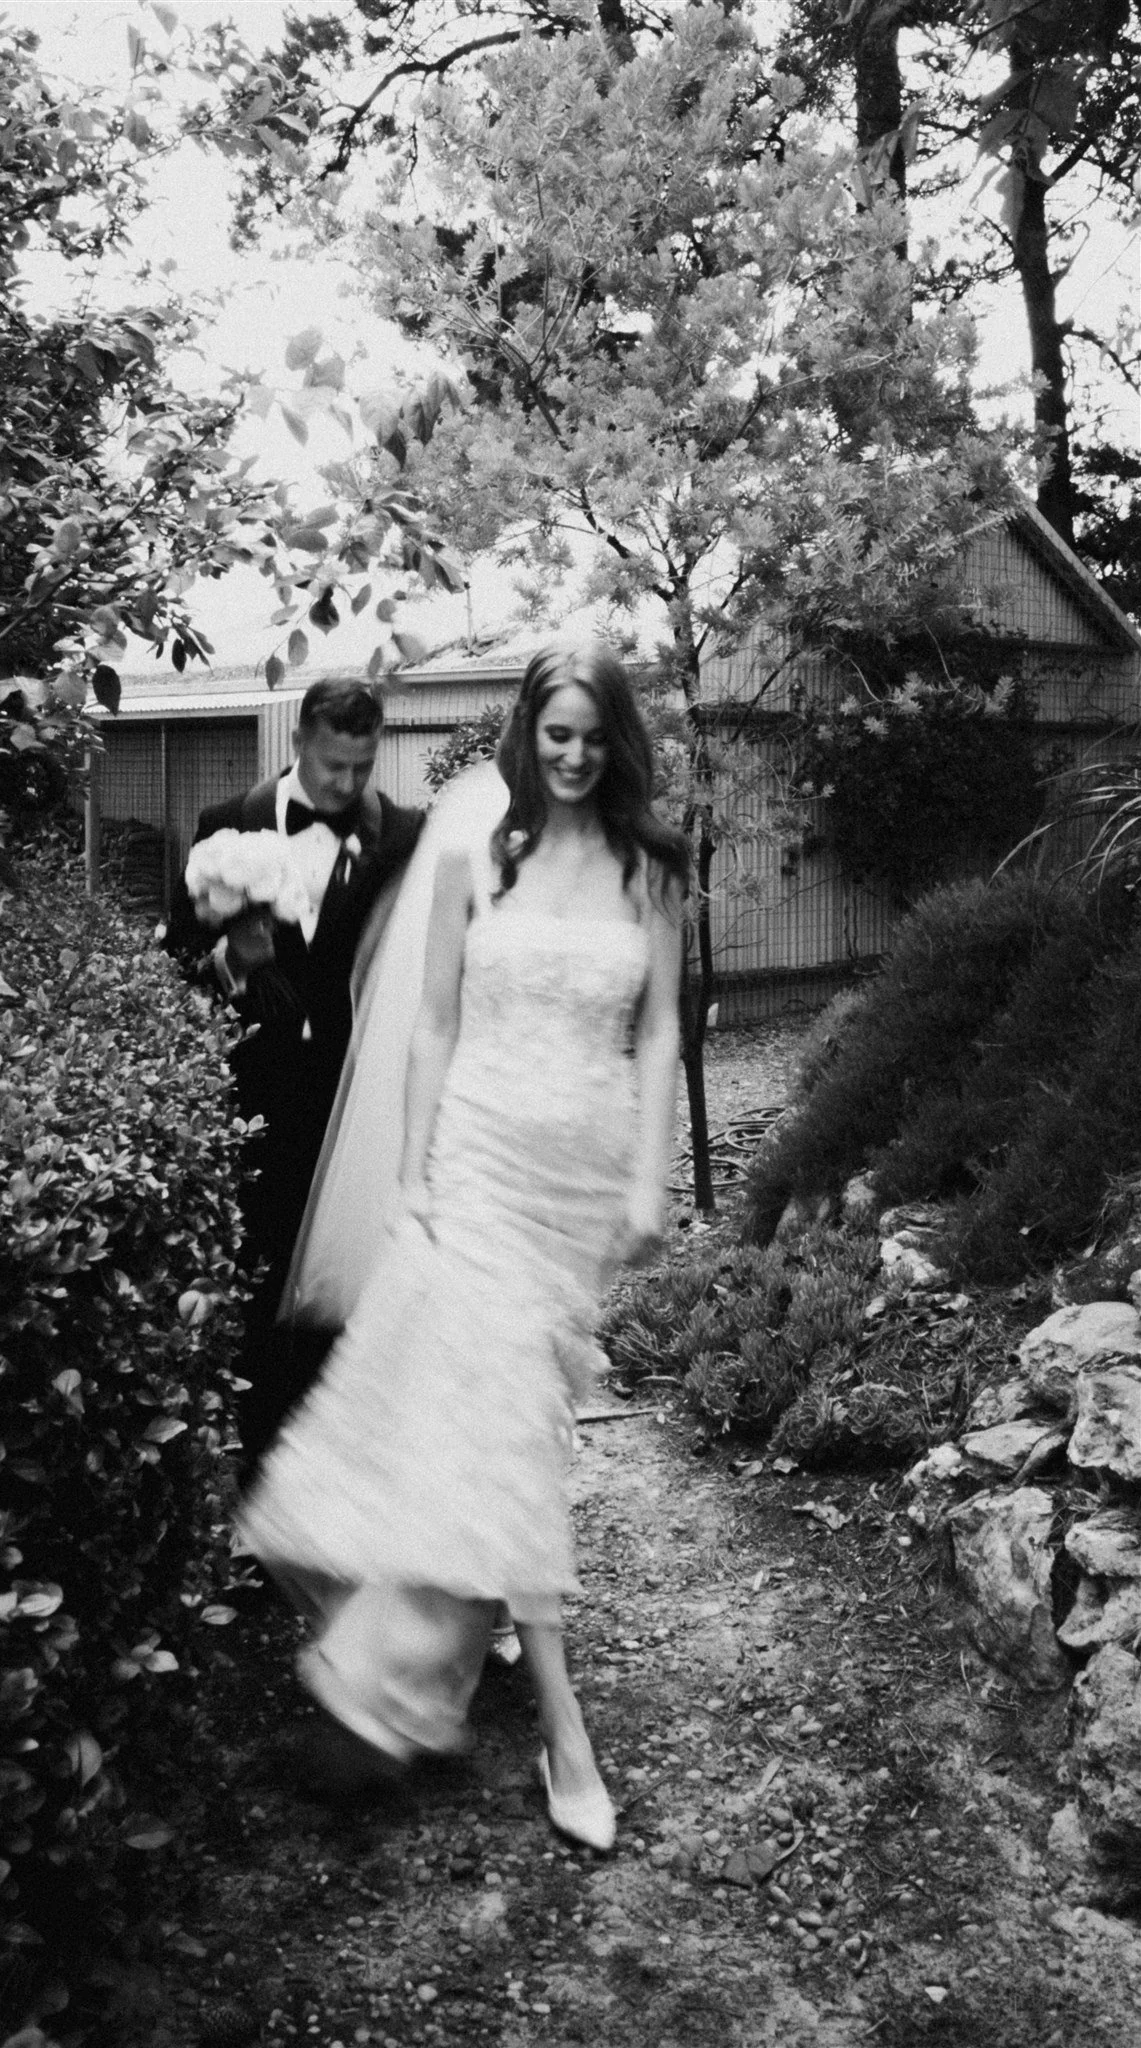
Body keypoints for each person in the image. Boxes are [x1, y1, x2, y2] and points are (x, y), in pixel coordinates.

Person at [238, 642, 688, 1851]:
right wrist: (413, 1171)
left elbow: (655, 1036)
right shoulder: (480, 856)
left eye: (596, 735)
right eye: (557, 735)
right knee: (506, 1434)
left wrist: (652, 1174)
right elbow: (432, 1022)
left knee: (516, 1423)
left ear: (619, 738)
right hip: (480, 1165)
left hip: (578, 1181)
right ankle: (562, 1727)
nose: (577, 756)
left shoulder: (650, 867)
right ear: (526, 737)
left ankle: (399, 1661)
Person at [162, 677, 424, 1473]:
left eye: (361, 767)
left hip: (365, 1107)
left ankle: (349, 1476)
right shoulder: (225, 827)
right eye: (331, 766)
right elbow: (175, 958)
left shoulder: (406, 836)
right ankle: (260, 1481)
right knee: (266, 1288)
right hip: (260, 1103)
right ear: (299, 743)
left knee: (358, 1294)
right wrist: (228, 962)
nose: (345, 786)